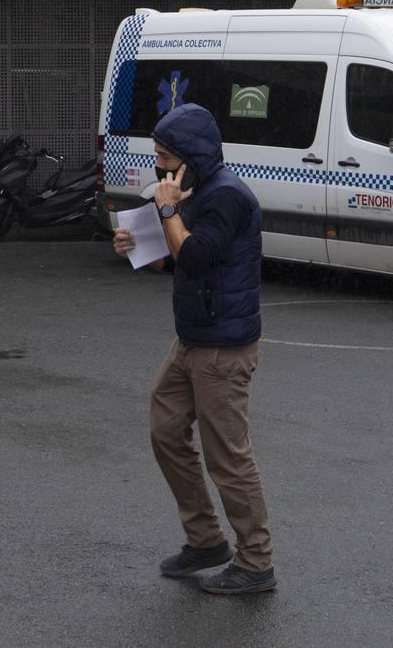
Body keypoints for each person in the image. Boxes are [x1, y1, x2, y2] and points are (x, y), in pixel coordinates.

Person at [113, 102, 276, 595]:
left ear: (192, 156)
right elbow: (175, 259)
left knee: (227, 457)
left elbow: (197, 255)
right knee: (165, 429)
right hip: (192, 340)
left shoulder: (226, 197)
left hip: (223, 349)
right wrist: (137, 246)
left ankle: (256, 562)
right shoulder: (193, 191)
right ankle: (205, 539)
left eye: (165, 155)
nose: (158, 165)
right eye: (157, 154)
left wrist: (166, 211)